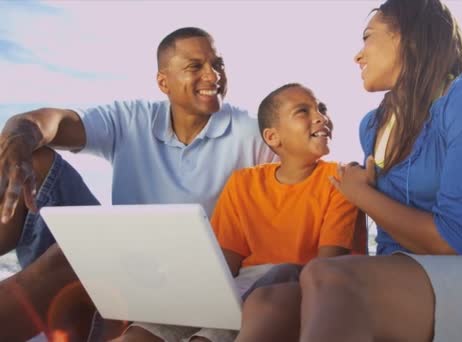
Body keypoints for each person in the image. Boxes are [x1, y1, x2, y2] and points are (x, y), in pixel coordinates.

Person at [235, 1, 462, 341]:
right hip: (411, 278)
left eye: (368, 37)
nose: (358, 55)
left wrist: (363, 196)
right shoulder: (373, 126)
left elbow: (454, 240)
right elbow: (390, 246)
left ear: (407, 38)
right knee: (271, 298)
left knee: (331, 277)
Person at [0, 27, 276, 341]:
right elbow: (55, 122)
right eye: (195, 67)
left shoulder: (252, 133)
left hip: (190, 282)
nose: (214, 76)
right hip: (126, 261)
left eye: (218, 64)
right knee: (32, 159)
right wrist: (19, 136)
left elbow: (304, 185)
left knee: (76, 255)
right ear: (163, 83)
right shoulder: (132, 119)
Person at [117, 83, 364, 342]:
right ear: (272, 137)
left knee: (270, 280)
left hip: (295, 285)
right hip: (240, 286)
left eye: (322, 109)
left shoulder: (340, 179)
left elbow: (327, 268)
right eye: (303, 111)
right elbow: (225, 263)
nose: (321, 118)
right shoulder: (243, 182)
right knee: (141, 333)